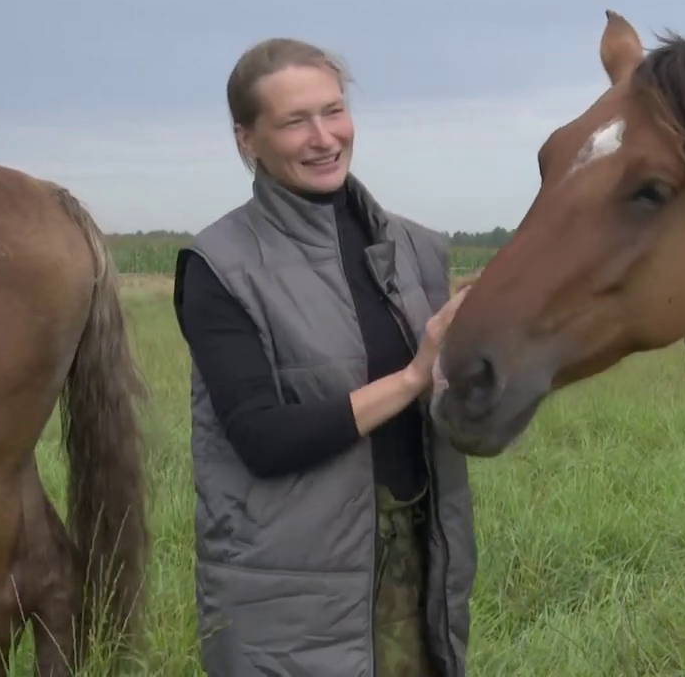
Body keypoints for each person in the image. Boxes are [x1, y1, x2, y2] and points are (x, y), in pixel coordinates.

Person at [172, 37, 476, 677]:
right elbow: (261, 437)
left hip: (417, 557)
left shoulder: (417, 249)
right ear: (246, 140)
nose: (323, 137)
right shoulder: (220, 266)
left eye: (333, 111)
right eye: (293, 121)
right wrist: (413, 376)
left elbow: (451, 406)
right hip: (291, 583)